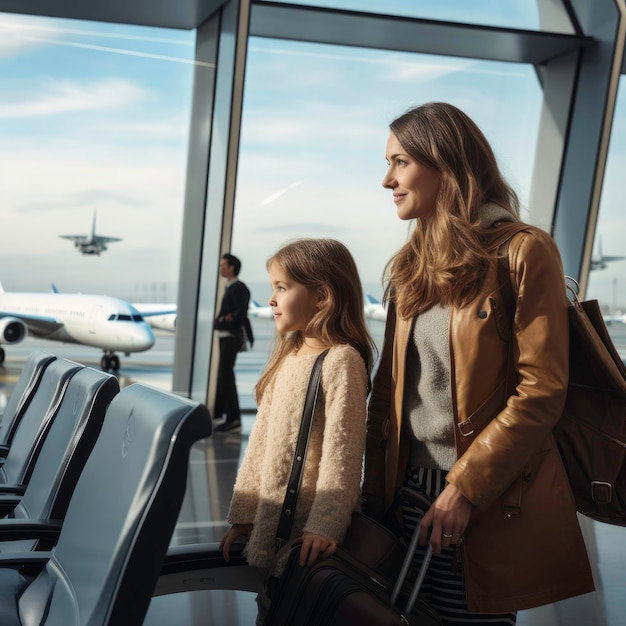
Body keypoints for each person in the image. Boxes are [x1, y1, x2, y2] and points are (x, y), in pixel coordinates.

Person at [362, 102, 595, 625]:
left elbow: (541, 391)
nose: (387, 180)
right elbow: (390, 392)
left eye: (399, 162)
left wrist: (465, 488)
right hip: (404, 493)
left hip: (480, 492)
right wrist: (370, 494)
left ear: (444, 162)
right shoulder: (410, 266)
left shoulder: (522, 252)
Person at [219, 238, 375, 624]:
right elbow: (259, 445)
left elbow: (343, 453)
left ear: (322, 296)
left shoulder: (341, 361)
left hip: (307, 541)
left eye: (282, 288)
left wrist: (325, 525)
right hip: (273, 531)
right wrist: (245, 513)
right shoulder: (286, 359)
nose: (271, 300)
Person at [213, 253, 254, 432]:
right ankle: (225, 414)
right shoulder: (230, 287)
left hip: (230, 338)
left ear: (231, 268)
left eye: (223, 265)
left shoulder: (238, 288)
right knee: (224, 376)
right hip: (225, 337)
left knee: (226, 376)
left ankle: (233, 417)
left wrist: (222, 320)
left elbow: (237, 316)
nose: (221, 268)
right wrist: (222, 319)